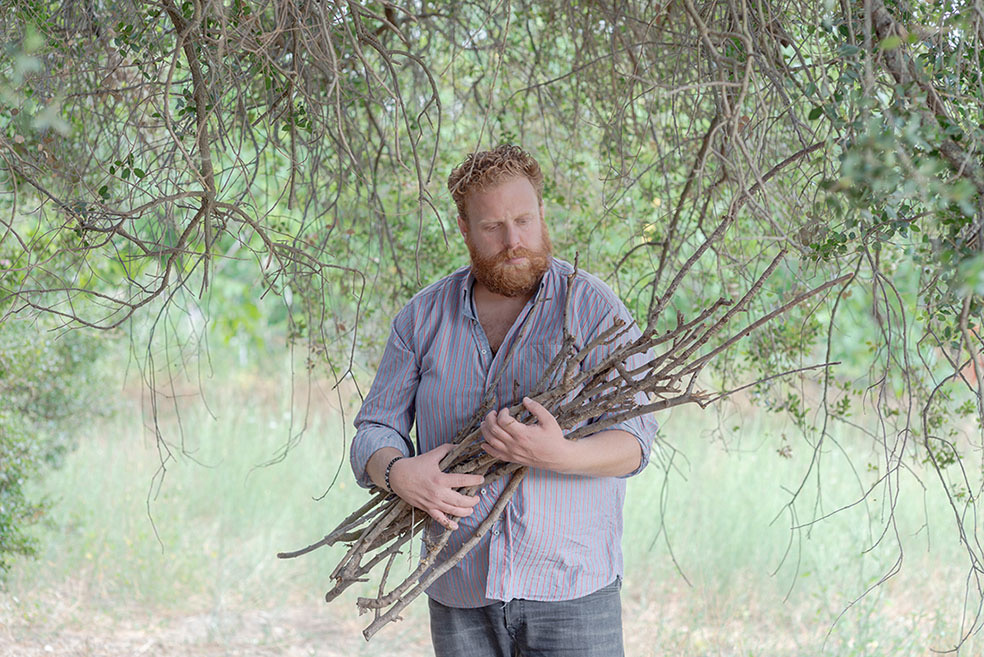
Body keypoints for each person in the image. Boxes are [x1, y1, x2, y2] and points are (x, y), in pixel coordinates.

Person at [350, 144, 657, 657]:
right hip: (458, 585)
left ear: (541, 214)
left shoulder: (593, 307)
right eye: (493, 226)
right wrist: (397, 474)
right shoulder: (420, 318)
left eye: (524, 220)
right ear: (465, 229)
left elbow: (637, 441)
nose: (514, 241)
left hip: (572, 588)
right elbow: (374, 430)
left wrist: (560, 455)